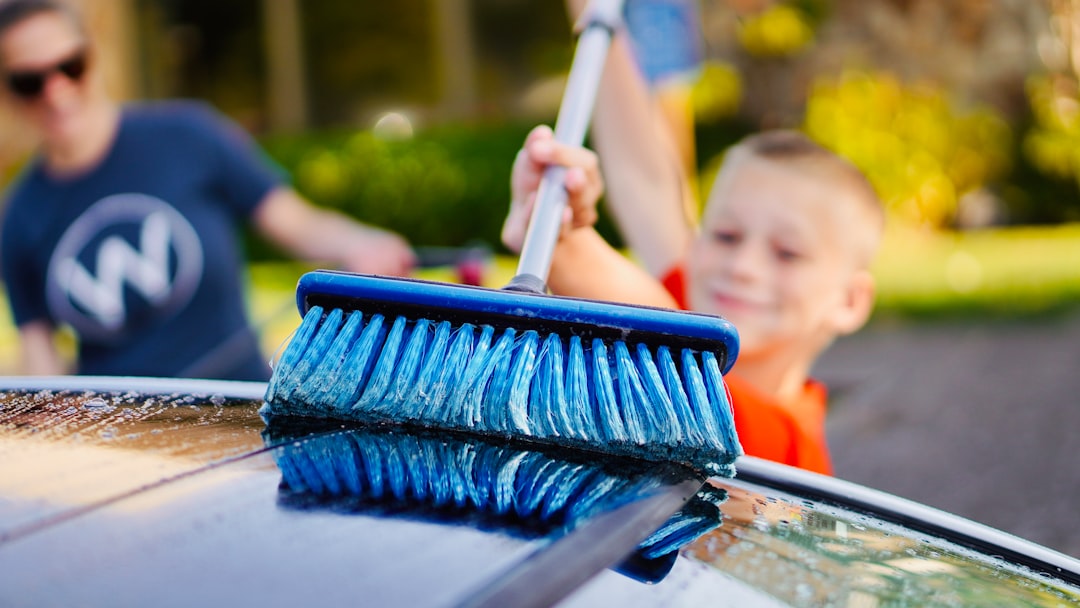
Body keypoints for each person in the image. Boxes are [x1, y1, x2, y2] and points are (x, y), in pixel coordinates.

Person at [502, 12, 883, 475]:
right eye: (725, 235)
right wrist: (600, 19)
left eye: (787, 253)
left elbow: (664, 339)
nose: (742, 266)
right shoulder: (700, 297)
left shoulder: (787, 447)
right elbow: (645, 182)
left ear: (850, 300)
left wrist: (565, 242)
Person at [0, 0, 415, 381]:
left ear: (93, 56)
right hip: (121, 445)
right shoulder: (19, 215)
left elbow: (297, 223)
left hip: (242, 415)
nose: (55, 90)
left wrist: (361, 243)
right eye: (29, 81)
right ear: (8, 93)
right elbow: (39, 354)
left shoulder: (190, 135)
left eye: (69, 66)